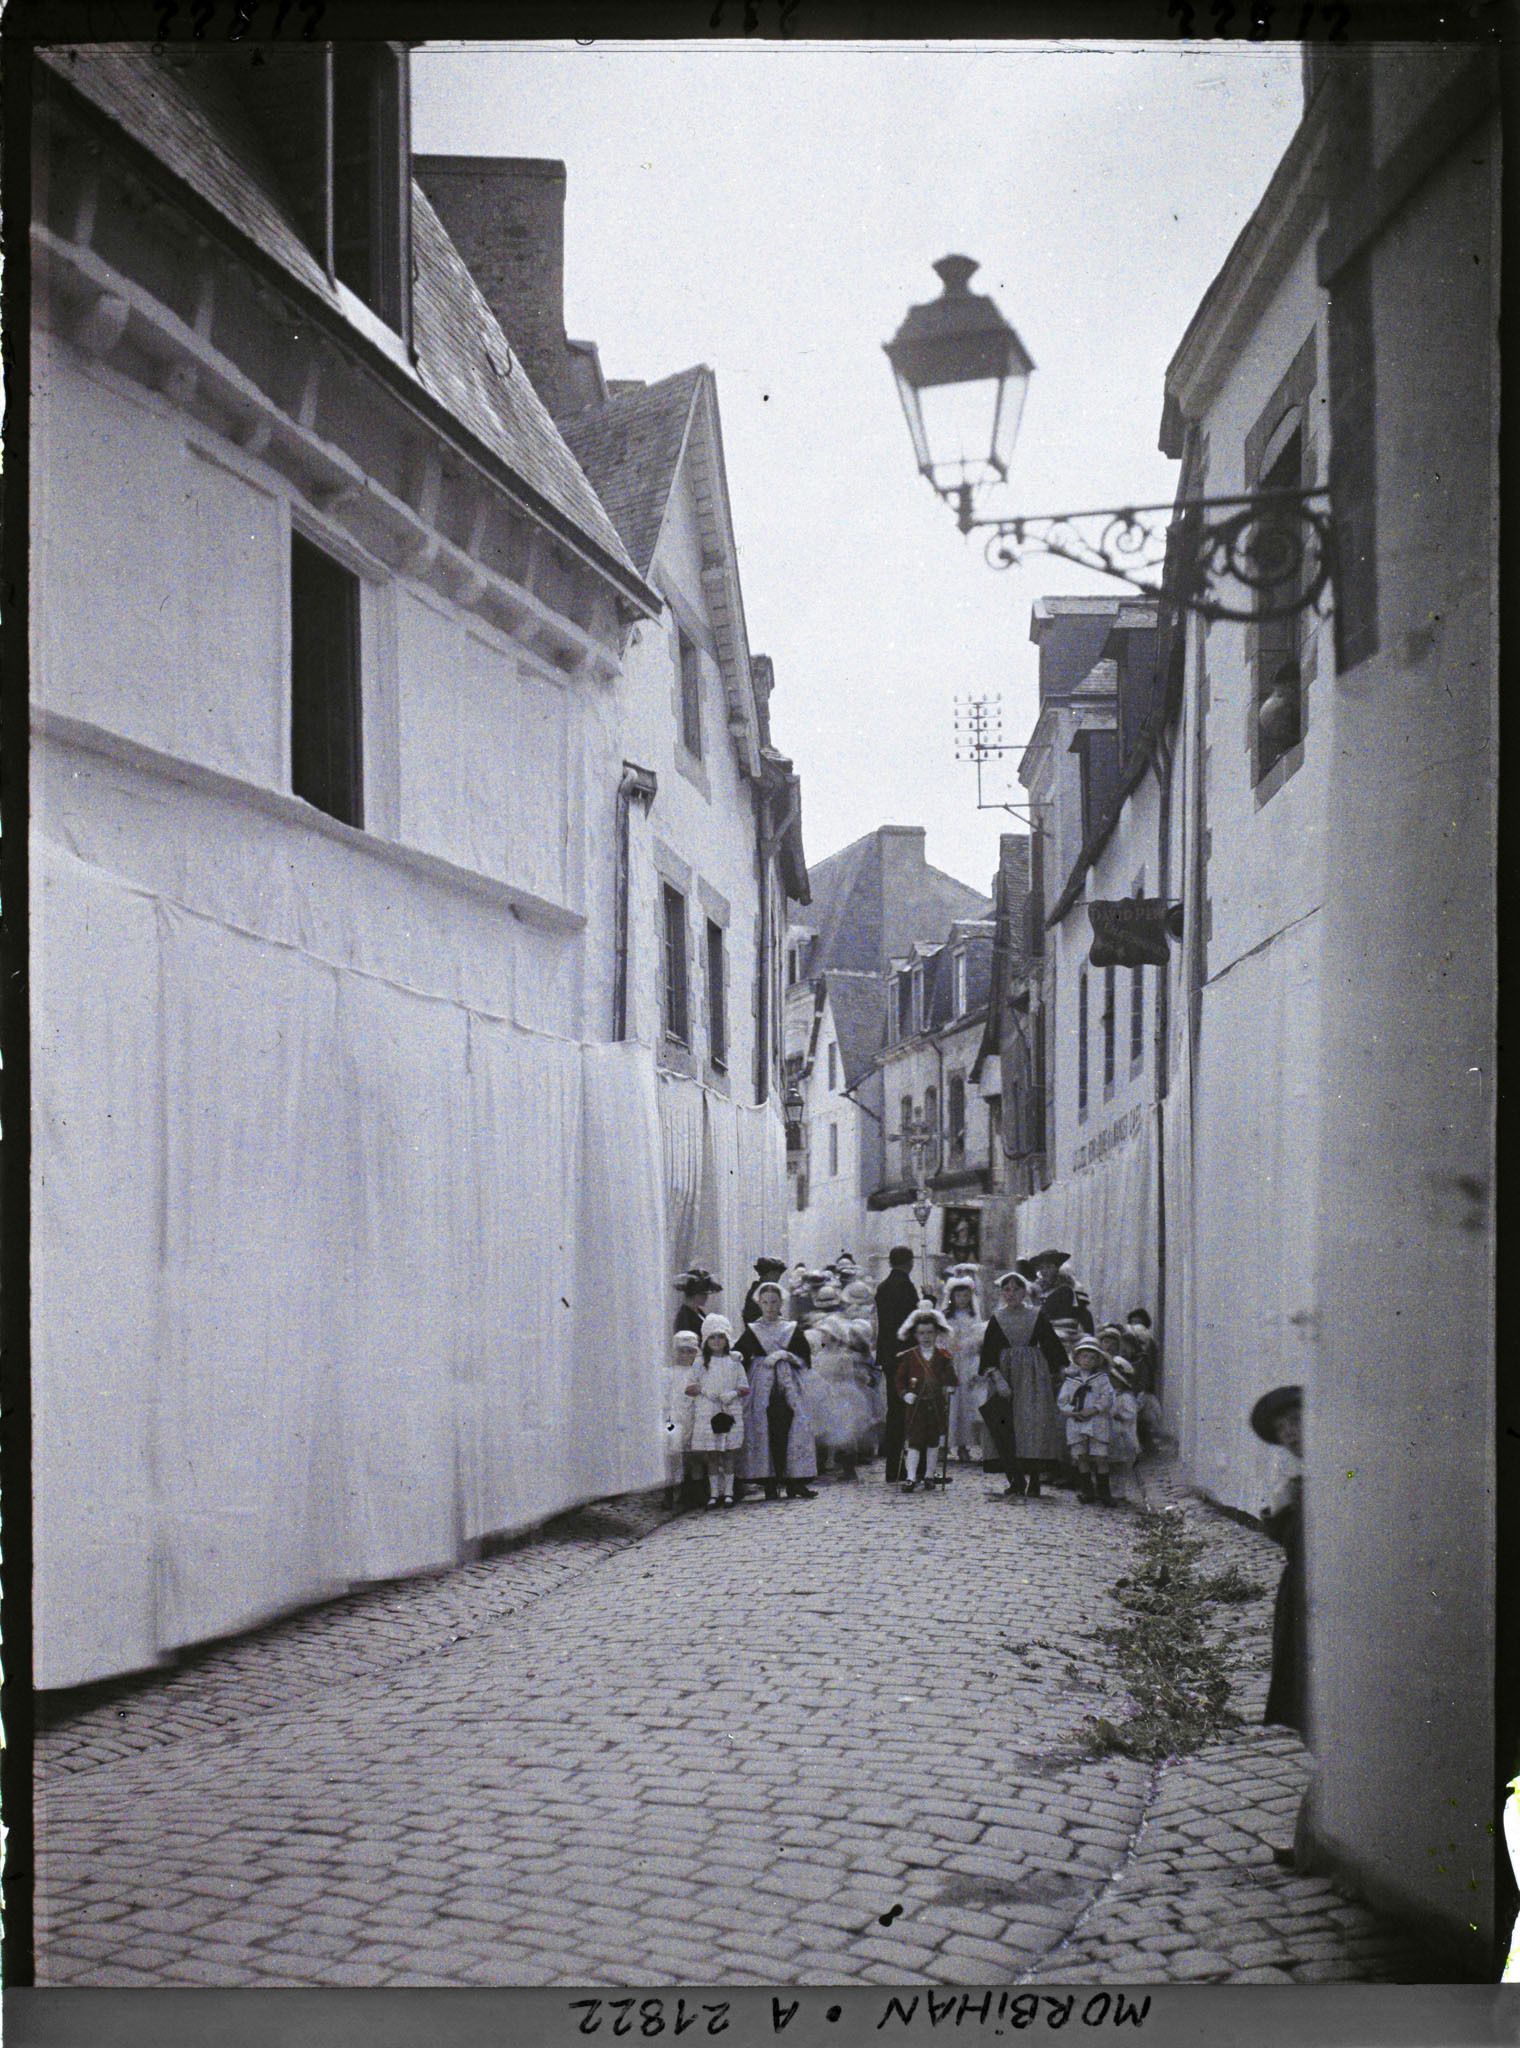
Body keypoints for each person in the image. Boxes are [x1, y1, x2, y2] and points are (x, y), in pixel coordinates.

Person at [976, 1270, 1070, 1498]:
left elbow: (1051, 1344)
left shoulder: (1036, 1316)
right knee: (1005, 1424)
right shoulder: (997, 1319)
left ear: (1024, 1291)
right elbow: (988, 1353)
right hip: (1005, 1376)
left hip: (1032, 1377)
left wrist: (1060, 1370)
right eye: (1006, 1289)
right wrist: (997, 1379)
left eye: (1016, 1289)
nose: (1011, 1294)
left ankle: (1035, 1478)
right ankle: (1015, 1478)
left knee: (1033, 1425)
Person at [736, 1282, 818, 1501]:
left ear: (781, 1303)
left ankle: (794, 1481)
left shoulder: (790, 1328)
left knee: (792, 1427)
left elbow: (805, 1357)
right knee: (765, 1429)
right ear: (759, 1304)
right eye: (765, 1303)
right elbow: (739, 1354)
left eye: (774, 1302)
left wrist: (786, 1356)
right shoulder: (754, 1330)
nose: (770, 1307)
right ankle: (769, 1482)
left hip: (788, 1383)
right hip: (762, 1384)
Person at [687, 1315, 748, 1509]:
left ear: (727, 1339)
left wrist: (733, 1393)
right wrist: (704, 1391)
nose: (716, 1342)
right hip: (708, 1410)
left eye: (720, 1337)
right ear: (706, 1340)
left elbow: (745, 1387)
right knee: (712, 1453)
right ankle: (714, 1493)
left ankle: (728, 1492)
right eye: (712, 1338)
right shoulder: (700, 1363)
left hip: (729, 1409)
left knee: (728, 1453)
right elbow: (689, 1387)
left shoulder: (734, 1361)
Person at [895, 1306, 958, 1494]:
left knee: (933, 1440)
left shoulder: (943, 1357)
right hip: (916, 1406)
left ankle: (930, 1475)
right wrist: (904, 1393)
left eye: (930, 1332)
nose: (926, 1337)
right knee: (914, 1441)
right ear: (915, 1335)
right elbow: (899, 1379)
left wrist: (950, 1384)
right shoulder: (909, 1356)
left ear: (937, 1333)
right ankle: (911, 1477)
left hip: (936, 1405)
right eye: (921, 1333)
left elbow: (950, 1376)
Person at [875, 1247, 922, 1483]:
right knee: (911, 1409)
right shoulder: (906, 1287)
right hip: (906, 1354)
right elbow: (914, 1319)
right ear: (910, 1263)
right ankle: (916, 1467)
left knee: (894, 1410)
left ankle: (892, 1467)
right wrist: (929, 1301)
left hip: (888, 1356)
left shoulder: (882, 1287)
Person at [808, 1313, 873, 1479]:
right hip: (823, 1397)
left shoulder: (843, 1357)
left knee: (844, 1434)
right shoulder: (819, 1357)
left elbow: (848, 1377)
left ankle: (849, 1468)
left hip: (841, 1398)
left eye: (825, 1333)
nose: (821, 1336)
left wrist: (840, 1388)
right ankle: (820, 1465)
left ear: (833, 1336)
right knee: (822, 1432)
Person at [1059, 1334, 1117, 1505]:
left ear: (1098, 1360)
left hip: (1096, 1421)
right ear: (1077, 1358)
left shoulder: (1102, 1380)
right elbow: (1062, 1401)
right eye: (1084, 1356)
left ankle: (1104, 1492)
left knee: (1100, 1456)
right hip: (1077, 1422)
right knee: (1081, 1456)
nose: (1087, 1360)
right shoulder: (1071, 1381)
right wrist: (1073, 1411)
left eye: (1092, 1358)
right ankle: (1087, 1490)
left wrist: (1095, 1409)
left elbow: (1107, 1398)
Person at [943, 1275, 988, 1465]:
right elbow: (942, 1337)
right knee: (948, 1404)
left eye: (966, 1296)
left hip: (967, 1362)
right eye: (959, 1296)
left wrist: (970, 1344)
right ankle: (943, 1445)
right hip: (951, 1361)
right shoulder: (947, 1316)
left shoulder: (973, 1316)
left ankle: (964, 1445)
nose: (962, 1299)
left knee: (965, 1405)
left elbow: (977, 1335)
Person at [662, 1330, 700, 1510]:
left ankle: (691, 1491)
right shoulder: (668, 1373)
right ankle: (668, 1492)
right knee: (671, 1452)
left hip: (693, 1416)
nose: (685, 1355)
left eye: (690, 1351)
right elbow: (664, 1397)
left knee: (692, 1454)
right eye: (682, 1351)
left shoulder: (698, 1373)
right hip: (673, 1418)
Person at [1106, 1354, 1141, 1506]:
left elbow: (1131, 1413)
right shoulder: (1114, 1395)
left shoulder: (1126, 1397)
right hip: (1114, 1434)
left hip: (1124, 1435)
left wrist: (1118, 1414)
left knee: (1121, 1466)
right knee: (1113, 1465)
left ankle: (1119, 1492)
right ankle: (1112, 1490)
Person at [673, 1267, 721, 1339]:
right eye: (702, 1294)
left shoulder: (699, 1312)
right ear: (693, 1294)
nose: (706, 1297)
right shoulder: (684, 1317)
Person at [742, 1257, 788, 1326]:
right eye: (775, 1274)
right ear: (767, 1274)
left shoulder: (764, 1290)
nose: (778, 1278)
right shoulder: (760, 1292)